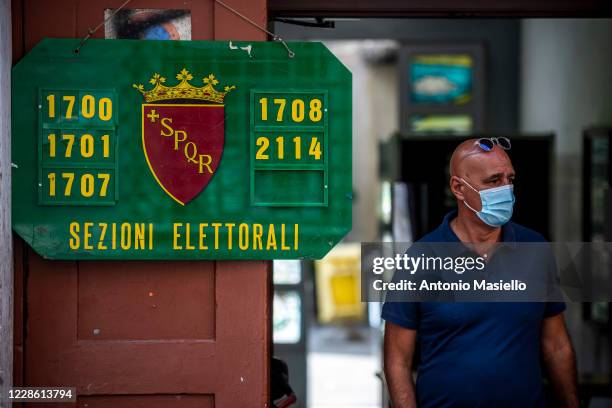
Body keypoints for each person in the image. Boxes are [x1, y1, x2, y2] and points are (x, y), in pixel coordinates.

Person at [382, 138, 578, 408]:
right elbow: (397, 360)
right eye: (493, 181)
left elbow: (556, 345)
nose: (506, 190)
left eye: (510, 179)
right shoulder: (420, 258)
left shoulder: (535, 248)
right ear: (458, 188)